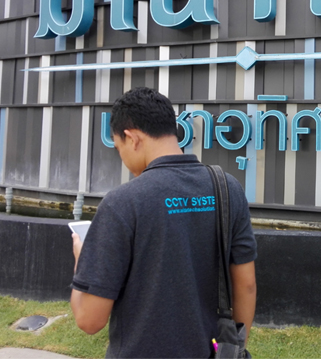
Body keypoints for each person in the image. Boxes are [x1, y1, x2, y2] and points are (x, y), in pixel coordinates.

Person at [70, 87, 257, 358]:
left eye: (119, 148)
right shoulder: (228, 189)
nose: (123, 159)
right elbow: (246, 285)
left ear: (132, 138)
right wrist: (232, 350)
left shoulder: (122, 203)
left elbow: (89, 320)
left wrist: (82, 262)